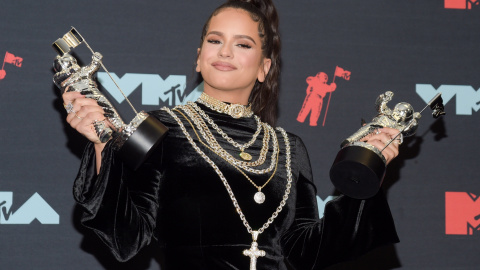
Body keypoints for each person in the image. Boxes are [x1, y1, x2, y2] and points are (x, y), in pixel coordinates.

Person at [60, 0, 401, 269]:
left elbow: (305, 251)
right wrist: (104, 142)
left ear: (265, 67)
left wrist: (364, 174)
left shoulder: (288, 147)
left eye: (243, 45)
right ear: (198, 58)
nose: (225, 52)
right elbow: (126, 237)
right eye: (215, 40)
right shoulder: (159, 129)